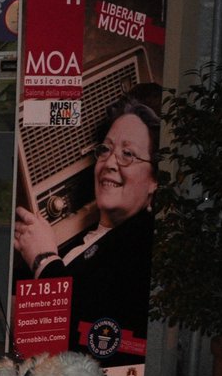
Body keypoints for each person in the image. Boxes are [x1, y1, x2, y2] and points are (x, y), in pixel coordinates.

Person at [13, 94, 158, 359]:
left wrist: (43, 261)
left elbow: (87, 338)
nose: (110, 163)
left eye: (128, 154)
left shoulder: (141, 247)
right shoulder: (87, 233)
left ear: (154, 181)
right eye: (105, 149)